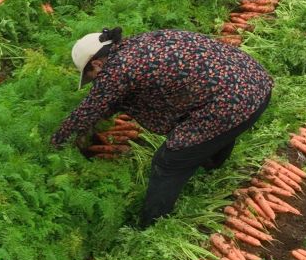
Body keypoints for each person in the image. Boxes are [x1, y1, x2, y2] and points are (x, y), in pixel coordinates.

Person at [51, 27, 272, 226]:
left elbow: (87, 111)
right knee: (214, 129)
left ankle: (154, 225)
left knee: (168, 163)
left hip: (234, 101)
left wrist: (55, 143)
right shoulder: (139, 43)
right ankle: (210, 166)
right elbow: (122, 96)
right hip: (254, 82)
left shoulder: (118, 69)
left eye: (91, 77)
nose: (95, 82)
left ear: (97, 63)